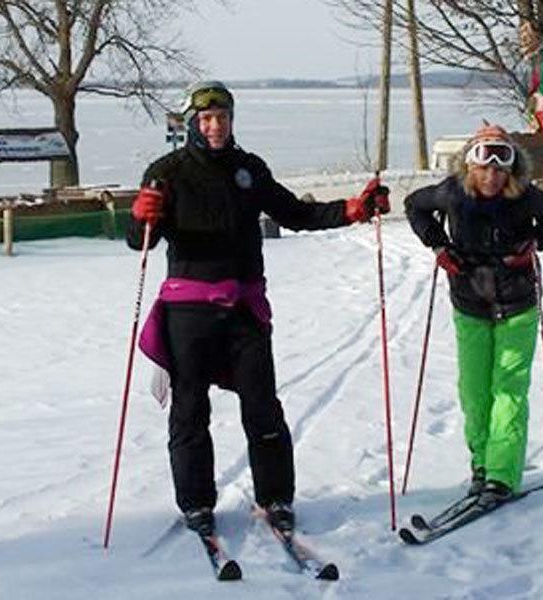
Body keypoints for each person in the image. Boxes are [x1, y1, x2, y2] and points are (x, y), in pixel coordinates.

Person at [126, 80, 390, 535]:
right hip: (188, 312)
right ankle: (195, 502)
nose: (215, 127)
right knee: (189, 410)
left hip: (244, 309)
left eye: (222, 118)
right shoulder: (166, 171)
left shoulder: (249, 168)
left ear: (231, 120)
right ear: (192, 122)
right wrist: (141, 215)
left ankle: (276, 498)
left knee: (262, 406)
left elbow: (295, 214)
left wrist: (352, 209)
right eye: (206, 119)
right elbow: (140, 242)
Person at [404, 123, 543, 508]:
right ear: (470, 166)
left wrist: (535, 244)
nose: (492, 175)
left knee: (508, 390)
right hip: (470, 303)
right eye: (484, 165)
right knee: (475, 391)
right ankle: (481, 464)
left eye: (500, 166)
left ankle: (501, 474)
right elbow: (415, 205)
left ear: (511, 169)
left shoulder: (525, 197)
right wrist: (438, 245)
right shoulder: (452, 193)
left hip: (518, 305)